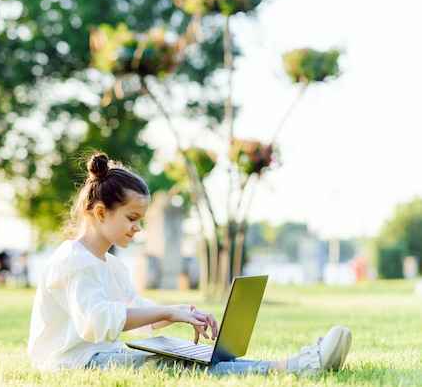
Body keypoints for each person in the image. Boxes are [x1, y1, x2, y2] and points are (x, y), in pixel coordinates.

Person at [27, 152, 352, 375]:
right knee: (172, 363)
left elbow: (134, 310)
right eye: (131, 218)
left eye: (140, 219)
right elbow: (95, 323)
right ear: (100, 213)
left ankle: (292, 364)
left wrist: (179, 311)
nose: (138, 228)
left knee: (182, 355)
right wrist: (168, 312)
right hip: (73, 363)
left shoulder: (112, 266)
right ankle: (293, 366)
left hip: (98, 357)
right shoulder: (72, 260)